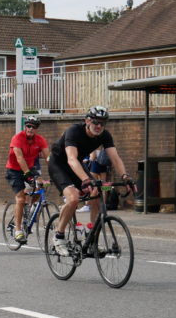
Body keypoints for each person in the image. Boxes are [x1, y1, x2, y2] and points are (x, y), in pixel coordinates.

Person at [48, 106, 132, 256]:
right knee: (73, 198)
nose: (99, 126)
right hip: (59, 164)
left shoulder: (104, 135)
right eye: (95, 122)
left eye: (102, 123)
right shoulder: (73, 131)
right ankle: (59, 236)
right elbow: (71, 159)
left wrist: (125, 177)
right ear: (87, 121)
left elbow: (115, 157)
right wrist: (86, 179)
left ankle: (91, 236)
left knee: (97, 191)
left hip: (77, 165)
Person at [4, 116, 50, 243]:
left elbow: (48, 158)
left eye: (34, 127)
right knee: (20, 197)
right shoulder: (17, 138)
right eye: (28, 126)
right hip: (14, 170)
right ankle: (18, 230)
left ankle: (29, 212)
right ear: (25, 126)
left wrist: (57, 171)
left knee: (40, 186)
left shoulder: (40, 140)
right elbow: (19, 158)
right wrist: (28, 175)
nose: (31, 129)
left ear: (36, 129)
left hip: (29, 168)